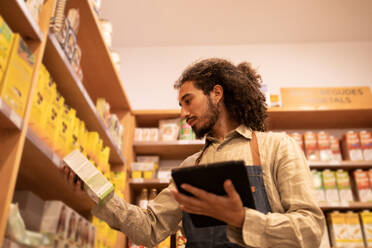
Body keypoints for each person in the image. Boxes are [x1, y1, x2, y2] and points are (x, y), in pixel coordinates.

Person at [63, 58, 324, 248]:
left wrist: (243, 219)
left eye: (188, 101)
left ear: (217, 94)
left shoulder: (277, 147)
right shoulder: (191, 166)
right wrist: (98, 189)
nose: (183, 114)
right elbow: (149, 229)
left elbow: (310, 230)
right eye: (180, 105)